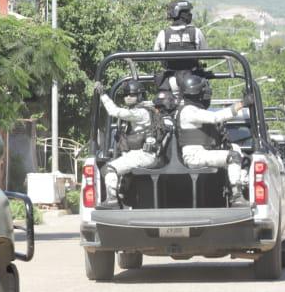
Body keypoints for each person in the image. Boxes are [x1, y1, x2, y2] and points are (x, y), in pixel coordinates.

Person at [174, 72, 250, 202]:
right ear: (197, 93)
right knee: (233, 157)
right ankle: (237, 196)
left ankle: (243, 182)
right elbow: (215, 117)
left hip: (200, 153)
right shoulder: (188, 111)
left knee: (236, 149)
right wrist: (241, 104)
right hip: (195, 157)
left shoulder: (190, 109)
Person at [94, 78, 161, 207]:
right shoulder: (145, 109)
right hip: (144, 154)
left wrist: (103, 94)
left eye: (132, 94)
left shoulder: (141, 112)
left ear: (140, 95)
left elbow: (115, 112)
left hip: (144, 155)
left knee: (108, 169)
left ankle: (112, 201)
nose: (128, 97)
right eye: (126, 94)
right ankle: (123, 197)